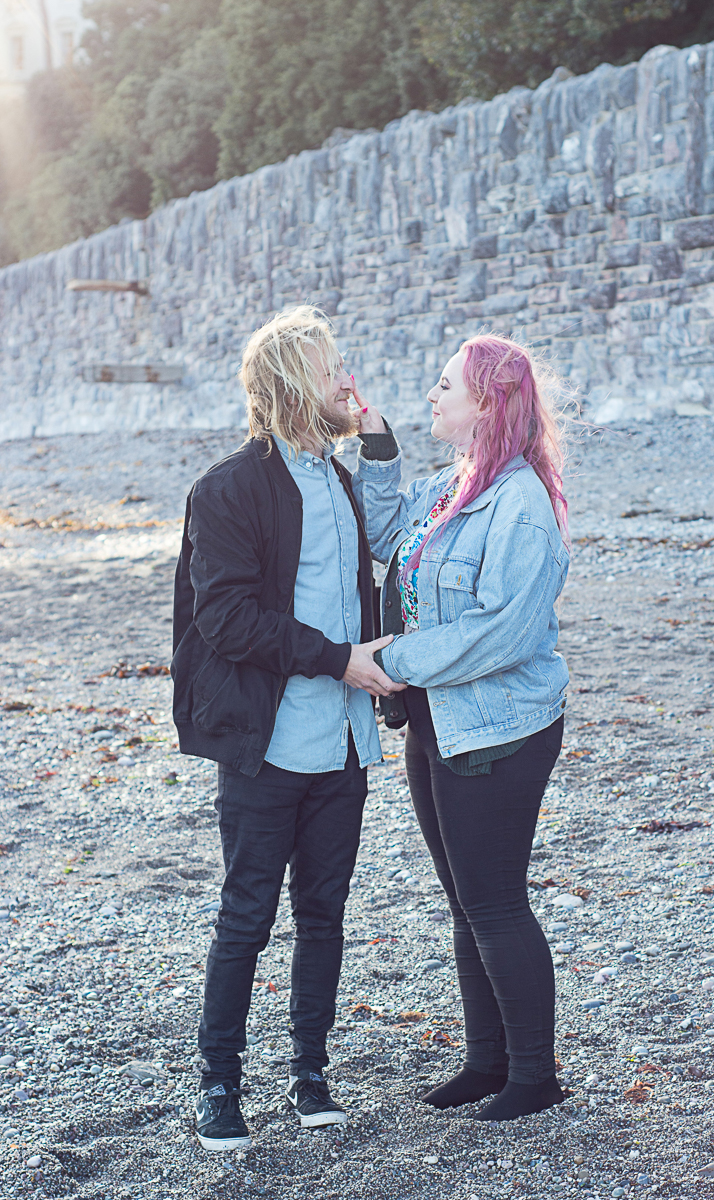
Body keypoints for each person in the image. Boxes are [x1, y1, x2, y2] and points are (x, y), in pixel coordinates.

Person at [171, 305, 405, 1150]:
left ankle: (311, 1073)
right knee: (246, 915)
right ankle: (218, 1084)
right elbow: (226, 620)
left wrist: (375, 441)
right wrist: (338, 658)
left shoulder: (338, 479)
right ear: (284, 383)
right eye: (328, 366)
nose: (345, 377)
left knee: (325, 912)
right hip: (267, 740)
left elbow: (389, 540)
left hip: (344, 741)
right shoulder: (227, 488)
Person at [351, 334, 570, 1122]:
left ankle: (534, 1077)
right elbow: (384, 538)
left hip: (500, 729)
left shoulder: (520, 503)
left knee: (495, 901)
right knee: (467, 900)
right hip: (439, 722)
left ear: (485, 402)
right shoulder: (455, 486)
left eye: (444, 385)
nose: (431, 395)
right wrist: (376, 443)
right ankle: (487, 1063)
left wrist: (392, 659)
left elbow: (503, 631)